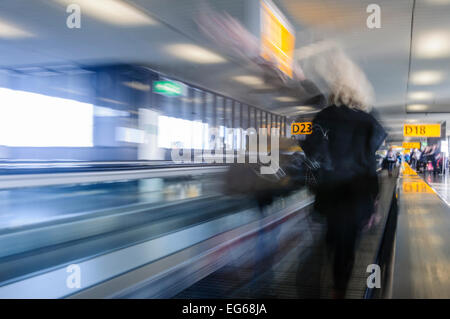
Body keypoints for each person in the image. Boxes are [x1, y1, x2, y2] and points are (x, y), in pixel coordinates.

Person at [301, 55, 387, 298]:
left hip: (329, 197)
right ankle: (338, 289)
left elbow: (312, 159)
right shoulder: (368, 123)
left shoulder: (324, 118)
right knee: (347, 248)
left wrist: (312, 188)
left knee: (330, 238)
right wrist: (375, 203)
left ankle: (320, 279)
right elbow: (370, 167)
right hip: (357, 199)